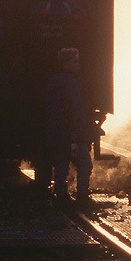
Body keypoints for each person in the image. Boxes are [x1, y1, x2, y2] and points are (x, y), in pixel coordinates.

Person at [45, 46, 93, 208]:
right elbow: (75, 111)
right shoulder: (71, 83)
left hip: (56, 131)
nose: (78, 65)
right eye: (75, 62)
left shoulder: (54, 81)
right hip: (70, 132)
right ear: (65, 64)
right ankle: (82, 195)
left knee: (61, 164)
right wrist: (78, 135)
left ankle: (61, 194)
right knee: (85, 164)